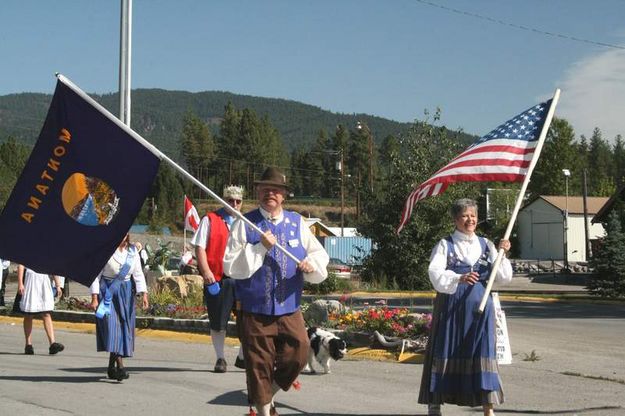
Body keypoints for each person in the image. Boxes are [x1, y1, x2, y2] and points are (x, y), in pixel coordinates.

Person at [224, 167, 329, 416]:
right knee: (258, 365)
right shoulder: (244, 223)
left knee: (300, 353)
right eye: (265, 189)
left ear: (284, 195)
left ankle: (265, 396)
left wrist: (310, 265)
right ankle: (263, 410)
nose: (270, 193)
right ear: (258, 192)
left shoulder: (297, 223)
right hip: (255, 309)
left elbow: (318, 255)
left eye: (276, 190)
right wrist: (259, 247)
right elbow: (231, 266)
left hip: (289, 307)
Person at [418, 198, 512, 416]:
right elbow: (435, 273)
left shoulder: (487, 244)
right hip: (452, 309)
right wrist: (459, 278)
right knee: (446, 350)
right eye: (465, 216)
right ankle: (435, 405)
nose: (470, 220)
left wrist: (502, 253)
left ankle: (488, 408)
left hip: (481, 309)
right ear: (455, 219)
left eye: (473, 216)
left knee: (483, 352)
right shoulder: (445, 244)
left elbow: (503, 277)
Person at [191, 185, 246, 373]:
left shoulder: (246, 222)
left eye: (238, 201)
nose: (235, 204)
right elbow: (199, 247)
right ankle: (220, 357)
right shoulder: (210, 220)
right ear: (223, 200)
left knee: (248, 320)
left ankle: (242, 356)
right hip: (218, 278)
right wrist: (205, 271)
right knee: (218, 322)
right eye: (231, 200)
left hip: (241, 279)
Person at [90, 234, 149, 381]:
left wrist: (144, 294)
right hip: (108, 293)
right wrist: (94, 298)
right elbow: (95, 276)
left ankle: (111, 368)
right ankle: (121, 368)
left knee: (123, 329)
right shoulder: (105, 250)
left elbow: (138, 274)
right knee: (112, 329)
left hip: (126, 293)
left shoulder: (133, 252)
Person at [16, 264, 64, 355]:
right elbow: (21, 265)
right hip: (30, 281)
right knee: (28, 314)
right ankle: (28, 345)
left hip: (43, 282)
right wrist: (20, 284)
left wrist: (58, 285)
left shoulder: (46, 251)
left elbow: (52, 267)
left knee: (46, 313)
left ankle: (52, 344)